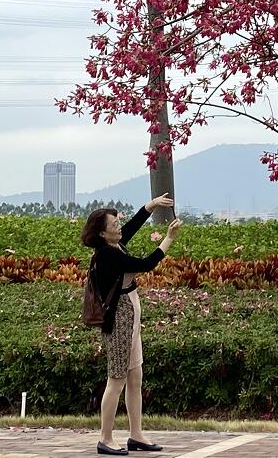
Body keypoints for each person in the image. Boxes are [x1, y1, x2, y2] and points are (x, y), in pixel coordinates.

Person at [82, 194, 182, 456]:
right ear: (102, 233)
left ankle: (136, 435)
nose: (119, 226)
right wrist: (169, 238)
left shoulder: (115, 245)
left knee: (134, 377)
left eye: (117, 222)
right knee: (116, 379)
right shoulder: (107, 255)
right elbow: (145, 264)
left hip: (131, 307)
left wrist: (151, 205)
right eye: (114, 224)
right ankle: (105, 438)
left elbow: (134, 225)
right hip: (119, 316)